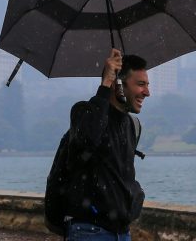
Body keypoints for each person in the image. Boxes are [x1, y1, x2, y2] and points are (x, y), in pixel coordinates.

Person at [63, 49, 150, 241]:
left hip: (122, 232)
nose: (147, 92)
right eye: (141, 84)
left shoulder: (131, 124)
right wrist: (105, 84)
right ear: (118, 84)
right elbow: (87, 140)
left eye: (147, 85)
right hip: (89, 231)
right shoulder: (83, 112)